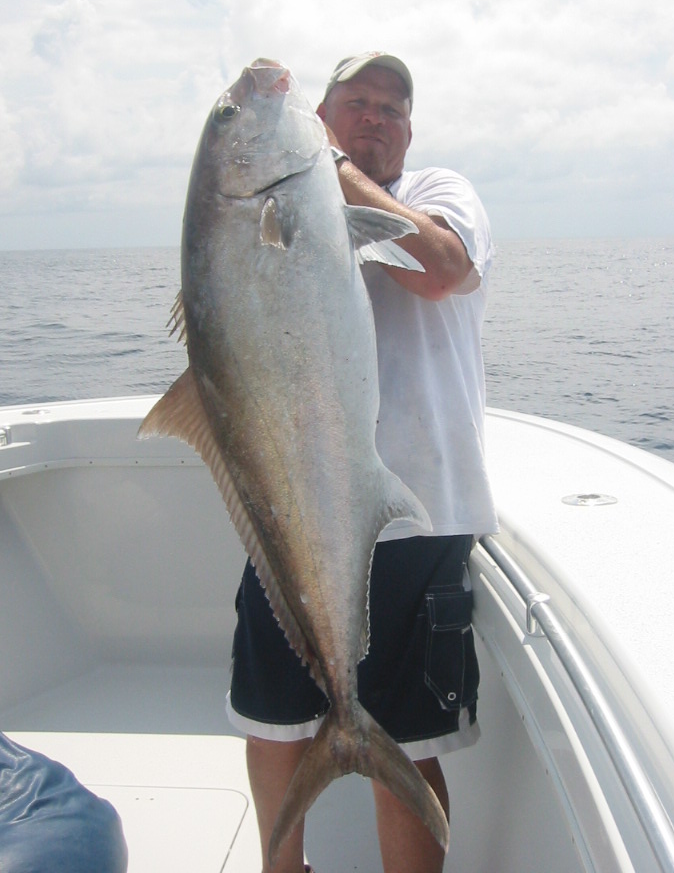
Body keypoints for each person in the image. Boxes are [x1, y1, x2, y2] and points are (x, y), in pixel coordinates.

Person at [226, 52, 497, 873]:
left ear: (411, 131)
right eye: (356, 102)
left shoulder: (442, 194)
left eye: (393, 107)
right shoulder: (280, 210)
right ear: (320, 115)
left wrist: (331, 172)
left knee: (408, 741)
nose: (376, 116)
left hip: (420, 515)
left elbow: (442, 271)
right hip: (298, 508)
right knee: (273, 722)